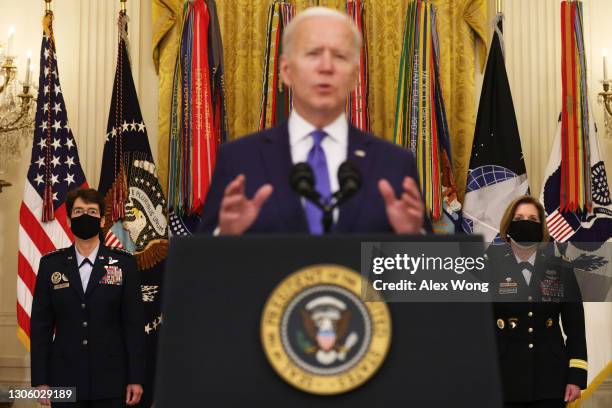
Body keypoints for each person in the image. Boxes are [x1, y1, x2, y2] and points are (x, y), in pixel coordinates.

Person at [199, 7, 428, 235]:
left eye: (339, 56)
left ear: (355, 76)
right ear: (286, 71)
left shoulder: (395, 164)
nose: (326, 67)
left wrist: (412, 240)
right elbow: (200, 267)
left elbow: (433, 269)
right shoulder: (239, 160)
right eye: (313, 53)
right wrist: (224, 238)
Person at [30, 188, 145, 407]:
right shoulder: (50, 265)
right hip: (64, 380)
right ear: (69, 220)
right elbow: (41, 327)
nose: (85, 216)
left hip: (112, 379)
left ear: (102, 220)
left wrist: (136, 378)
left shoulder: (124, 264)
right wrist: (41, 380)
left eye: (92, 212)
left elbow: (134, 326)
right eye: (79, 211)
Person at [485, 195, 587, 407]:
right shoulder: (489, 267)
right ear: (508, 224)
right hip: (502, 379)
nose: (525, 223)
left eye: (533, 219)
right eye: (519, 218)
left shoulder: (561, 268)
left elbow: (575, 329)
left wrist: (576, 377)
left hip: (550, 380)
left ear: (541, 227)